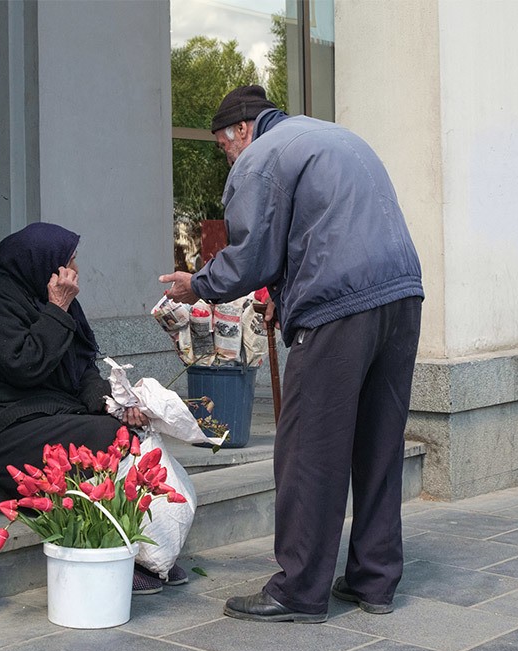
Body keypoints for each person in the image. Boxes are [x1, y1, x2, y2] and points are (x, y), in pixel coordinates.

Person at [159, 85, 425, 622]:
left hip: (340, 306)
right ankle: (375, 580)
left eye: (221, 145)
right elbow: (317, 230)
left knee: (309, 448)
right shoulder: (329, 135)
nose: (226, 156)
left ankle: (300, 590)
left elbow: (252, 254)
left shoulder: (260, 158)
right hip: (402, 295)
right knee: (378, 442)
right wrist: (286, 298)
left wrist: (200, 284)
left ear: (240, 130)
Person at [0, 222, 185, 593]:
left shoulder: (57, 300)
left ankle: (144, 551)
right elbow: (25, 366)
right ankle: (125, 552)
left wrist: (110, 403)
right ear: (42, 263)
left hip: (47, 411)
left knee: (125, 426)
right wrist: (57, 309)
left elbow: (82, 367)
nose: (74, 271)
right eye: (68, 261)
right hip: (0, 422)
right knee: (107, 438)